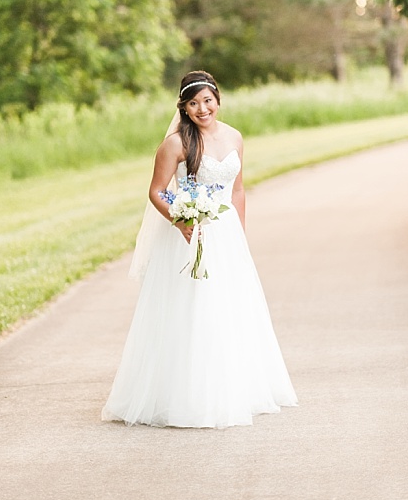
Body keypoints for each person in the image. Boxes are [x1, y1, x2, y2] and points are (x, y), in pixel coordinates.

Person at [102, 71, 297, 428]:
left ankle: (235, 389)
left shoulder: (235, 137)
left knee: (230, 309)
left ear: (218, 100)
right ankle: (186, 396)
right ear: (185, 108)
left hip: (227, 236)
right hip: (191, 234)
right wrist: (180, 221)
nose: (202, 109)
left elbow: (237, 190)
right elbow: (157, 190)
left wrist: (239, 233)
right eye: (193, 103)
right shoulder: (176, 144)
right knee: (193, 310)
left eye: (207, 101)